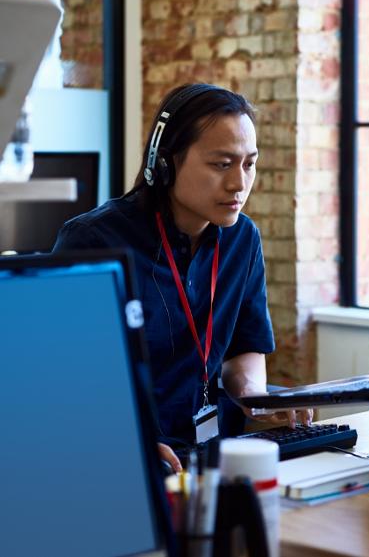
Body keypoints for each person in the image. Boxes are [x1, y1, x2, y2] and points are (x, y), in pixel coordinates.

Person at [53, 83, 311, 471]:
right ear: (165, 164)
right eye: (221, 164)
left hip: (215, 455)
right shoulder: (92, 241)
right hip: (125, 459)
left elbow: (244, 347)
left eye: (249, 164)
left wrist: (256, 396)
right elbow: (63, 379)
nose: (239, 184)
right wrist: (124, 440)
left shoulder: (242, 239)